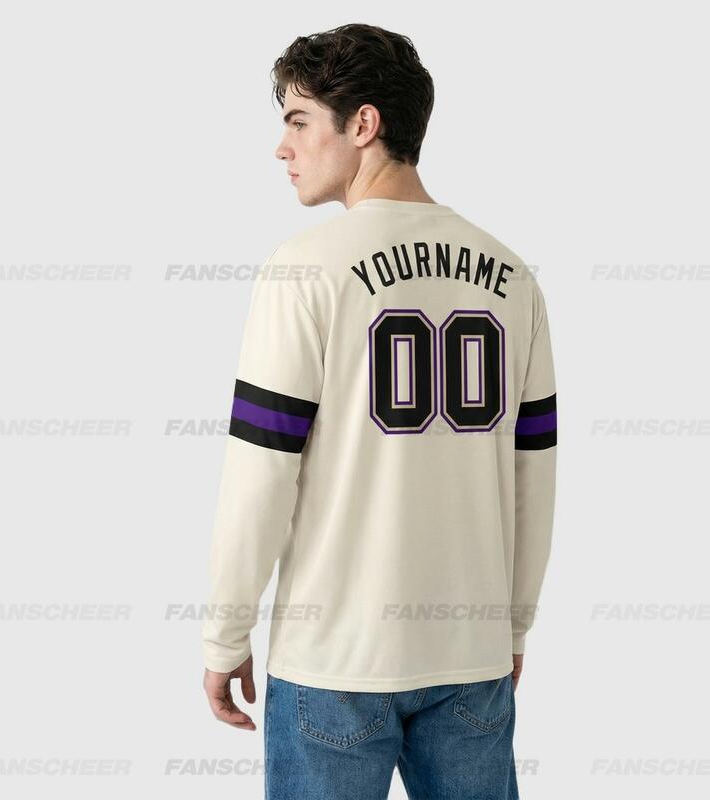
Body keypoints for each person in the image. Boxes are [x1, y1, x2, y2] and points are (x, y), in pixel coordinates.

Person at [202, 23, 557, 800]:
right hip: (470, 659)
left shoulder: (303, 271)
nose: (283, 147)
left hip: (335, 662)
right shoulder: (513, 276)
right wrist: (513, 626)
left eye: (299, 121)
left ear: (363, 123)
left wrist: (225, 633)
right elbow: (536, 474)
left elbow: (260, 475)